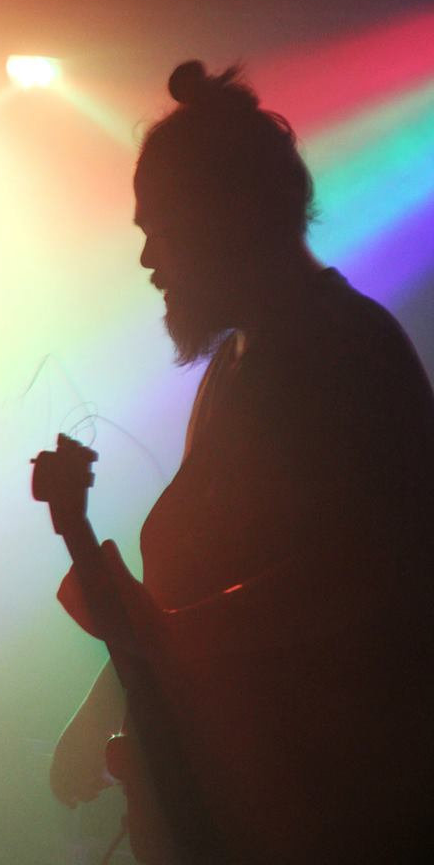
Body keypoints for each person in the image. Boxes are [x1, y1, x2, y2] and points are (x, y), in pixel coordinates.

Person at [50, 61, 434, 863]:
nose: (148, 259)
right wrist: (110, 701)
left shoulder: (348, 351)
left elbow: (372, 574)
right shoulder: (237, 363)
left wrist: (168, 643)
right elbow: (196, 588)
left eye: (159, 227)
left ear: (225, 216)